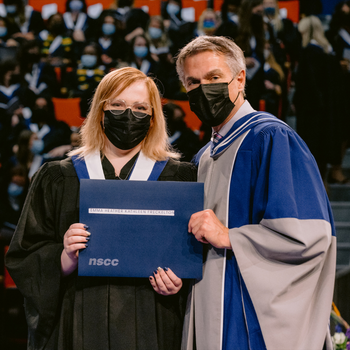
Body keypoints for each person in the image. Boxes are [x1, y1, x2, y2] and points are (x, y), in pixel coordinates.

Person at [5, 66, 197, 350]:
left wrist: (178, 286)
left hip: (151, 320)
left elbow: (198, 261)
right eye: (117, 105)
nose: (128, 115)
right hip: (75, 321)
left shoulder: (180, 178)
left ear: (154, 117)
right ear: (100, 111)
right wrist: (64, 257)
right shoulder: (58, 176)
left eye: (140, 108)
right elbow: (24, 256)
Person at [176, 35, 336, 350]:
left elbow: (309, 236)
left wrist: (231, 237)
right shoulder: (203, 157)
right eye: (193, 83)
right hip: (210, 308)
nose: (203, 90)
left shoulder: (271, 138)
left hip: (248, 318)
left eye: (214, 77)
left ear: (240, 79)